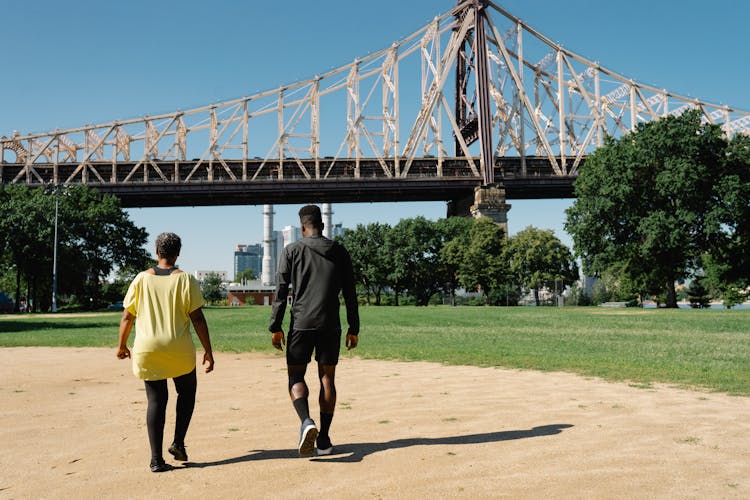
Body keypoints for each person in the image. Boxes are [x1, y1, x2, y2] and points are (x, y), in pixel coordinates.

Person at [116, 232, 214, 472]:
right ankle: (178, 441)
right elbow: (198, 318)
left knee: (156, 401)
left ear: (157, 252)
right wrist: (208, 351)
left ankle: (156, 460)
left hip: (148, 348)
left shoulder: (140, 279)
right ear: (178, 253)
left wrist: (121, 345)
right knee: (187, 393)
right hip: (178, 347)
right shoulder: (186, 280)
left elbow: (128, 316)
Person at [269, 204, 359, 457]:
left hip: (301, 323)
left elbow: (280, 292)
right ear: (321, 224)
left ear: (302, 227)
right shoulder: (339, 250)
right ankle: (325, 440)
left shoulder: (291, 250)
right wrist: (354, 328)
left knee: (296, 377)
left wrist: (275, 326)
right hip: (331, 324)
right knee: (327, 378)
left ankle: (307, 422)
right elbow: (351, 293)